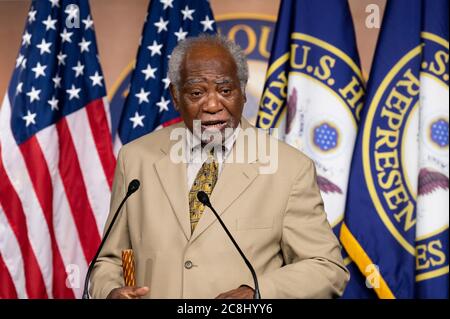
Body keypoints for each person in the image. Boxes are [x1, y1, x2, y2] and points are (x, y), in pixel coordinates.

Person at [90, 34, 349, 299]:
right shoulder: (135, 159)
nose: (213, 105)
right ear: (176, 96)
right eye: (196, 93)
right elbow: (110, 260)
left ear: (243, 91)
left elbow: (326, 268)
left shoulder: (289, 168)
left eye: (226, 91)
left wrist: (258, 293)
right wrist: (109, 290)